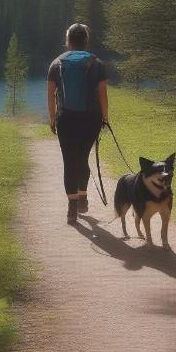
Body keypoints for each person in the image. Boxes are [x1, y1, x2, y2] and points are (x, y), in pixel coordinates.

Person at [47, 23, 109, 224]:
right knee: (83, 157)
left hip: (66, 119)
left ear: (68, 41)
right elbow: (102, 94)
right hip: (91, 119)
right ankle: (82, 196)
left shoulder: (56, 64)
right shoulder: (97, 63)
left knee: (69, 160)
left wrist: (52, 118)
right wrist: (105, 118)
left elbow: (50, 95)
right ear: (86, 40)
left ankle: (72, 208)